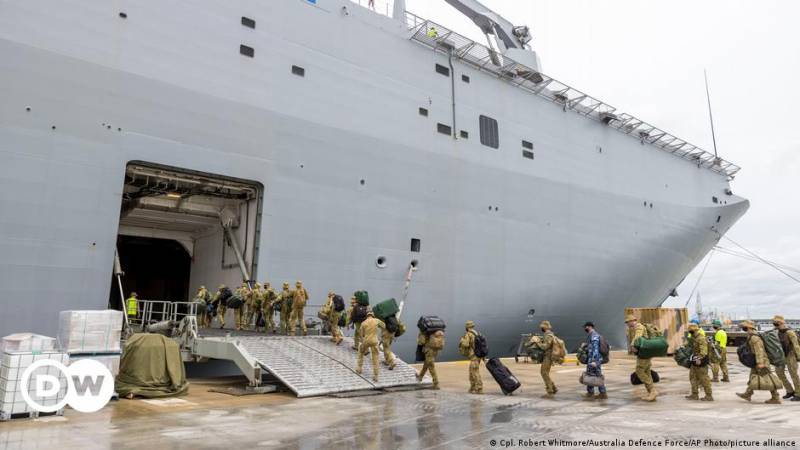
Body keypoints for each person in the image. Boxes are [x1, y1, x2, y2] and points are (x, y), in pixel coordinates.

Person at [736, 320, 782, 404]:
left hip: (762, 362)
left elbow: (759, 350)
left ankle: (775, 397)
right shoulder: (751, 336)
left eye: (745, 327)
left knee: (768, 379)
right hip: (757, 361)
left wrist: (760, 363)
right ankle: (748, 394)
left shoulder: (755, 337)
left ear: (749, 327)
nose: (743, 328)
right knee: (752, 377)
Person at [626, 314, 658, 402]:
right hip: (644, 352)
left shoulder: (639, 327)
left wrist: (633, 345)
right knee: (647, 372)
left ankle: (653, 391)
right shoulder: (631, 329)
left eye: (628, 322)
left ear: (632, 321)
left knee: (639, 371)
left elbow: (638, 336)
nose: (627, 324)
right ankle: (651, 392)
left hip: (644, 352)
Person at [773, 315, 800, 401]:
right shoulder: (776, 332)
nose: (775, 325)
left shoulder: (790, 332)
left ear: (781, 323)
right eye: (774, 323)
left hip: (790, 354)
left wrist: (798, 356)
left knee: (793, 374)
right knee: (779, 372)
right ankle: (790, 390)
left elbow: (796, 345)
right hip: (781, 355)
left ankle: (798, 393)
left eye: (776, 323)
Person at [686, 323, 713, 401]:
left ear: (694, 330)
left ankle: (709, 395)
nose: (690, 332)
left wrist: (698, 359)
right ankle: (694, 394)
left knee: (704, 379)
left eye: (690, 331)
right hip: (695, 361)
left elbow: (704, 352)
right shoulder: (694, 338)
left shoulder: (701, 338)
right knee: (692, 377)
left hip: (700, 361)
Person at [355, 310, 385, 382]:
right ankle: (376, 375)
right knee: (375, 358)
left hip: (366, 341)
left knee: (360, 353)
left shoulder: (363, 323)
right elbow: (384, 326)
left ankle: (359, 369)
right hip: (375, 341)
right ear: (372, 315)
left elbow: (361, 334)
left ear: (367, 315)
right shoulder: (376, 320)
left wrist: (362, 341)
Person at [530, 320, 558, 398]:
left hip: (548, 357)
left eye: (542, 327)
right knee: (545, 372)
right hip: (547, 356)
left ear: (544, 327)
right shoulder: (547, 334)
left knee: (544, 372)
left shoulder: (549, 335)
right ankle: (553, 388)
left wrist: (537, 342)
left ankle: (550, 389)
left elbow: (545, 346)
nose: (541, 328)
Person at [582, 322, 607, 400]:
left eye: (585, 327)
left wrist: (594, 361)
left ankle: (603, 393)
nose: (585, 329)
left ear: (590, 327)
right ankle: (590, 392)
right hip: (591, 359)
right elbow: (590, 347)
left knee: (598, 375)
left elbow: (595, 349)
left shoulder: (594, 335)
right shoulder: (591, 335)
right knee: (590, 375)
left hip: (595, 359)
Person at [459, 321, 483, 394]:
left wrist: (462, 340)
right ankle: (472, 387)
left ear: (467, 327)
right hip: (478, 356)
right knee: (471, 372)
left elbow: (466, 344)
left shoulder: (469, 334)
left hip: (474, 356)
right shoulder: (477, 333)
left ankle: (479, 388)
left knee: (475, 372)